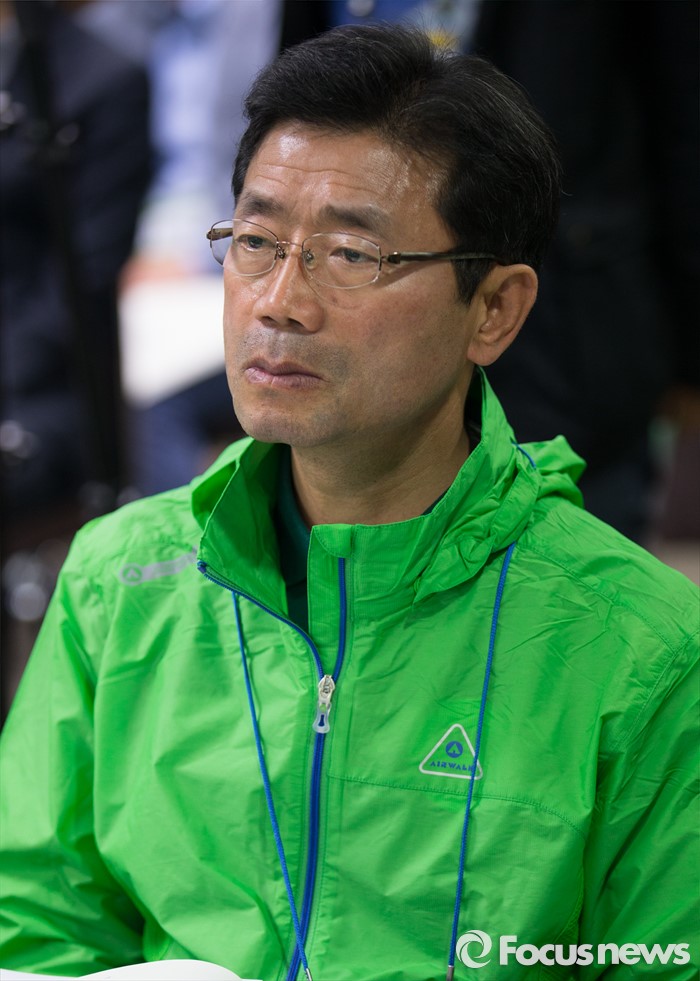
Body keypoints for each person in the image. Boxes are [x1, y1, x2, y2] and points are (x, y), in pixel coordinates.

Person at [0, 24, 697, 981]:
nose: (279, 301)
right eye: (256, 241)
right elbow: (32, 924)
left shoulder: (641, 646)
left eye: (352, 254)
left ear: (495, 308)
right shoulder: (121, 581)